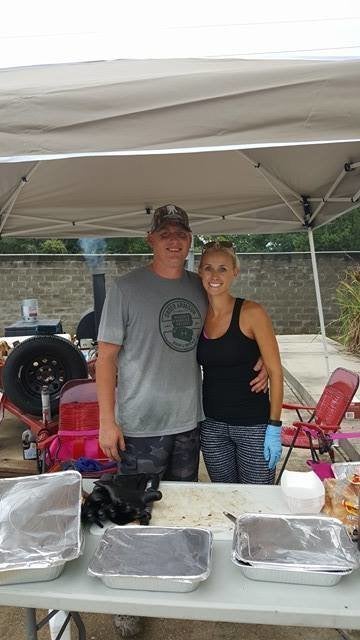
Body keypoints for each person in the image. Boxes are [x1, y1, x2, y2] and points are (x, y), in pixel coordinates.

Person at [197, 240, 283, 484]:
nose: (215, 275)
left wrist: (274, 427)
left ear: (235, 272)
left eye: (223, 268)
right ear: (199, 272)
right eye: (208, 268)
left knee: (258, 500)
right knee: (226, 499)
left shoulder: (251, 312)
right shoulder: (198, 314)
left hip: (253, 426)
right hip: (212, 426)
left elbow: (276, 372)